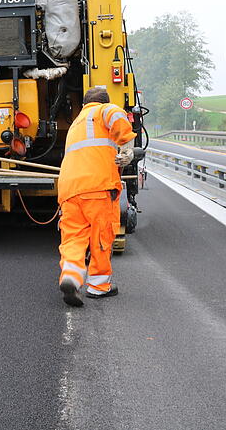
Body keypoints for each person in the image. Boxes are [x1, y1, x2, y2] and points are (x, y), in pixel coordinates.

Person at [56, 86, 136, 307]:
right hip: (97, 187)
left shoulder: (76, 122)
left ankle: (71, 277)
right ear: (103, 101)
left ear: (84, 104)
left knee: (73, 237)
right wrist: (127, 149)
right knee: (101, 235)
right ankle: (99, 286)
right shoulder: (103, 110)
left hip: (69, 189)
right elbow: (118, 116)